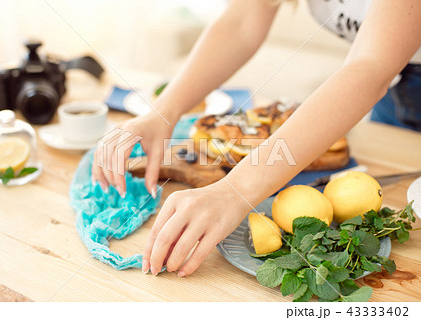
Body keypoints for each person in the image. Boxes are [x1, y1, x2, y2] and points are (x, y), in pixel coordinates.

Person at [92, 0, 421, 277]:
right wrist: (164, 108)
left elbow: (372, 65)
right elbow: (243, 19)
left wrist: (236, 189)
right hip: (397, 91)